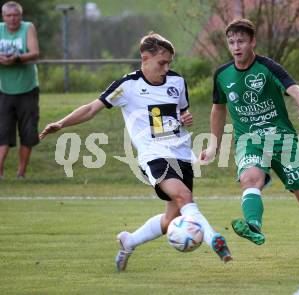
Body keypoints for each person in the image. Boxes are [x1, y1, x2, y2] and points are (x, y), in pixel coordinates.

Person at [39, 32, 232, 271]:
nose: (166, 68)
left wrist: (184, 117)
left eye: (169, 63)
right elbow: (91, 109)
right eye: (162, 62)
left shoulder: (176, 82)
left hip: (182, 153)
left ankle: (129, 241)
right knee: (183, 196)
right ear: (145, 57)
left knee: (171, 219)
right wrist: (61, 123)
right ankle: (215, 240)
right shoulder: (127, 86)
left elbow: (180, 112)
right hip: (154, 155)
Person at [199, 19, 299, 270]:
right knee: (249, 179)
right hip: (248, 141)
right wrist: (214, 145)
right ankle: (253, 225)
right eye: (231, 42)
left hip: (282, 141)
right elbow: (218, 110)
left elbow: (296, 90)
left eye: (241, 41)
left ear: (252, 42)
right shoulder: (222, 74)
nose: (236, 47)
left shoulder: (268, 67)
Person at [0, 1, 39, 180]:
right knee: (3, 132)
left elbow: (34, 52)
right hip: (4, 89)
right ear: (3, 17)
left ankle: (21, 173)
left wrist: (16, 58)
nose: (12, 19)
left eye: (16, 15)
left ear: (21, 16)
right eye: (9, 15)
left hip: (27, 88)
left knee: (28, 132)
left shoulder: (27, 28)